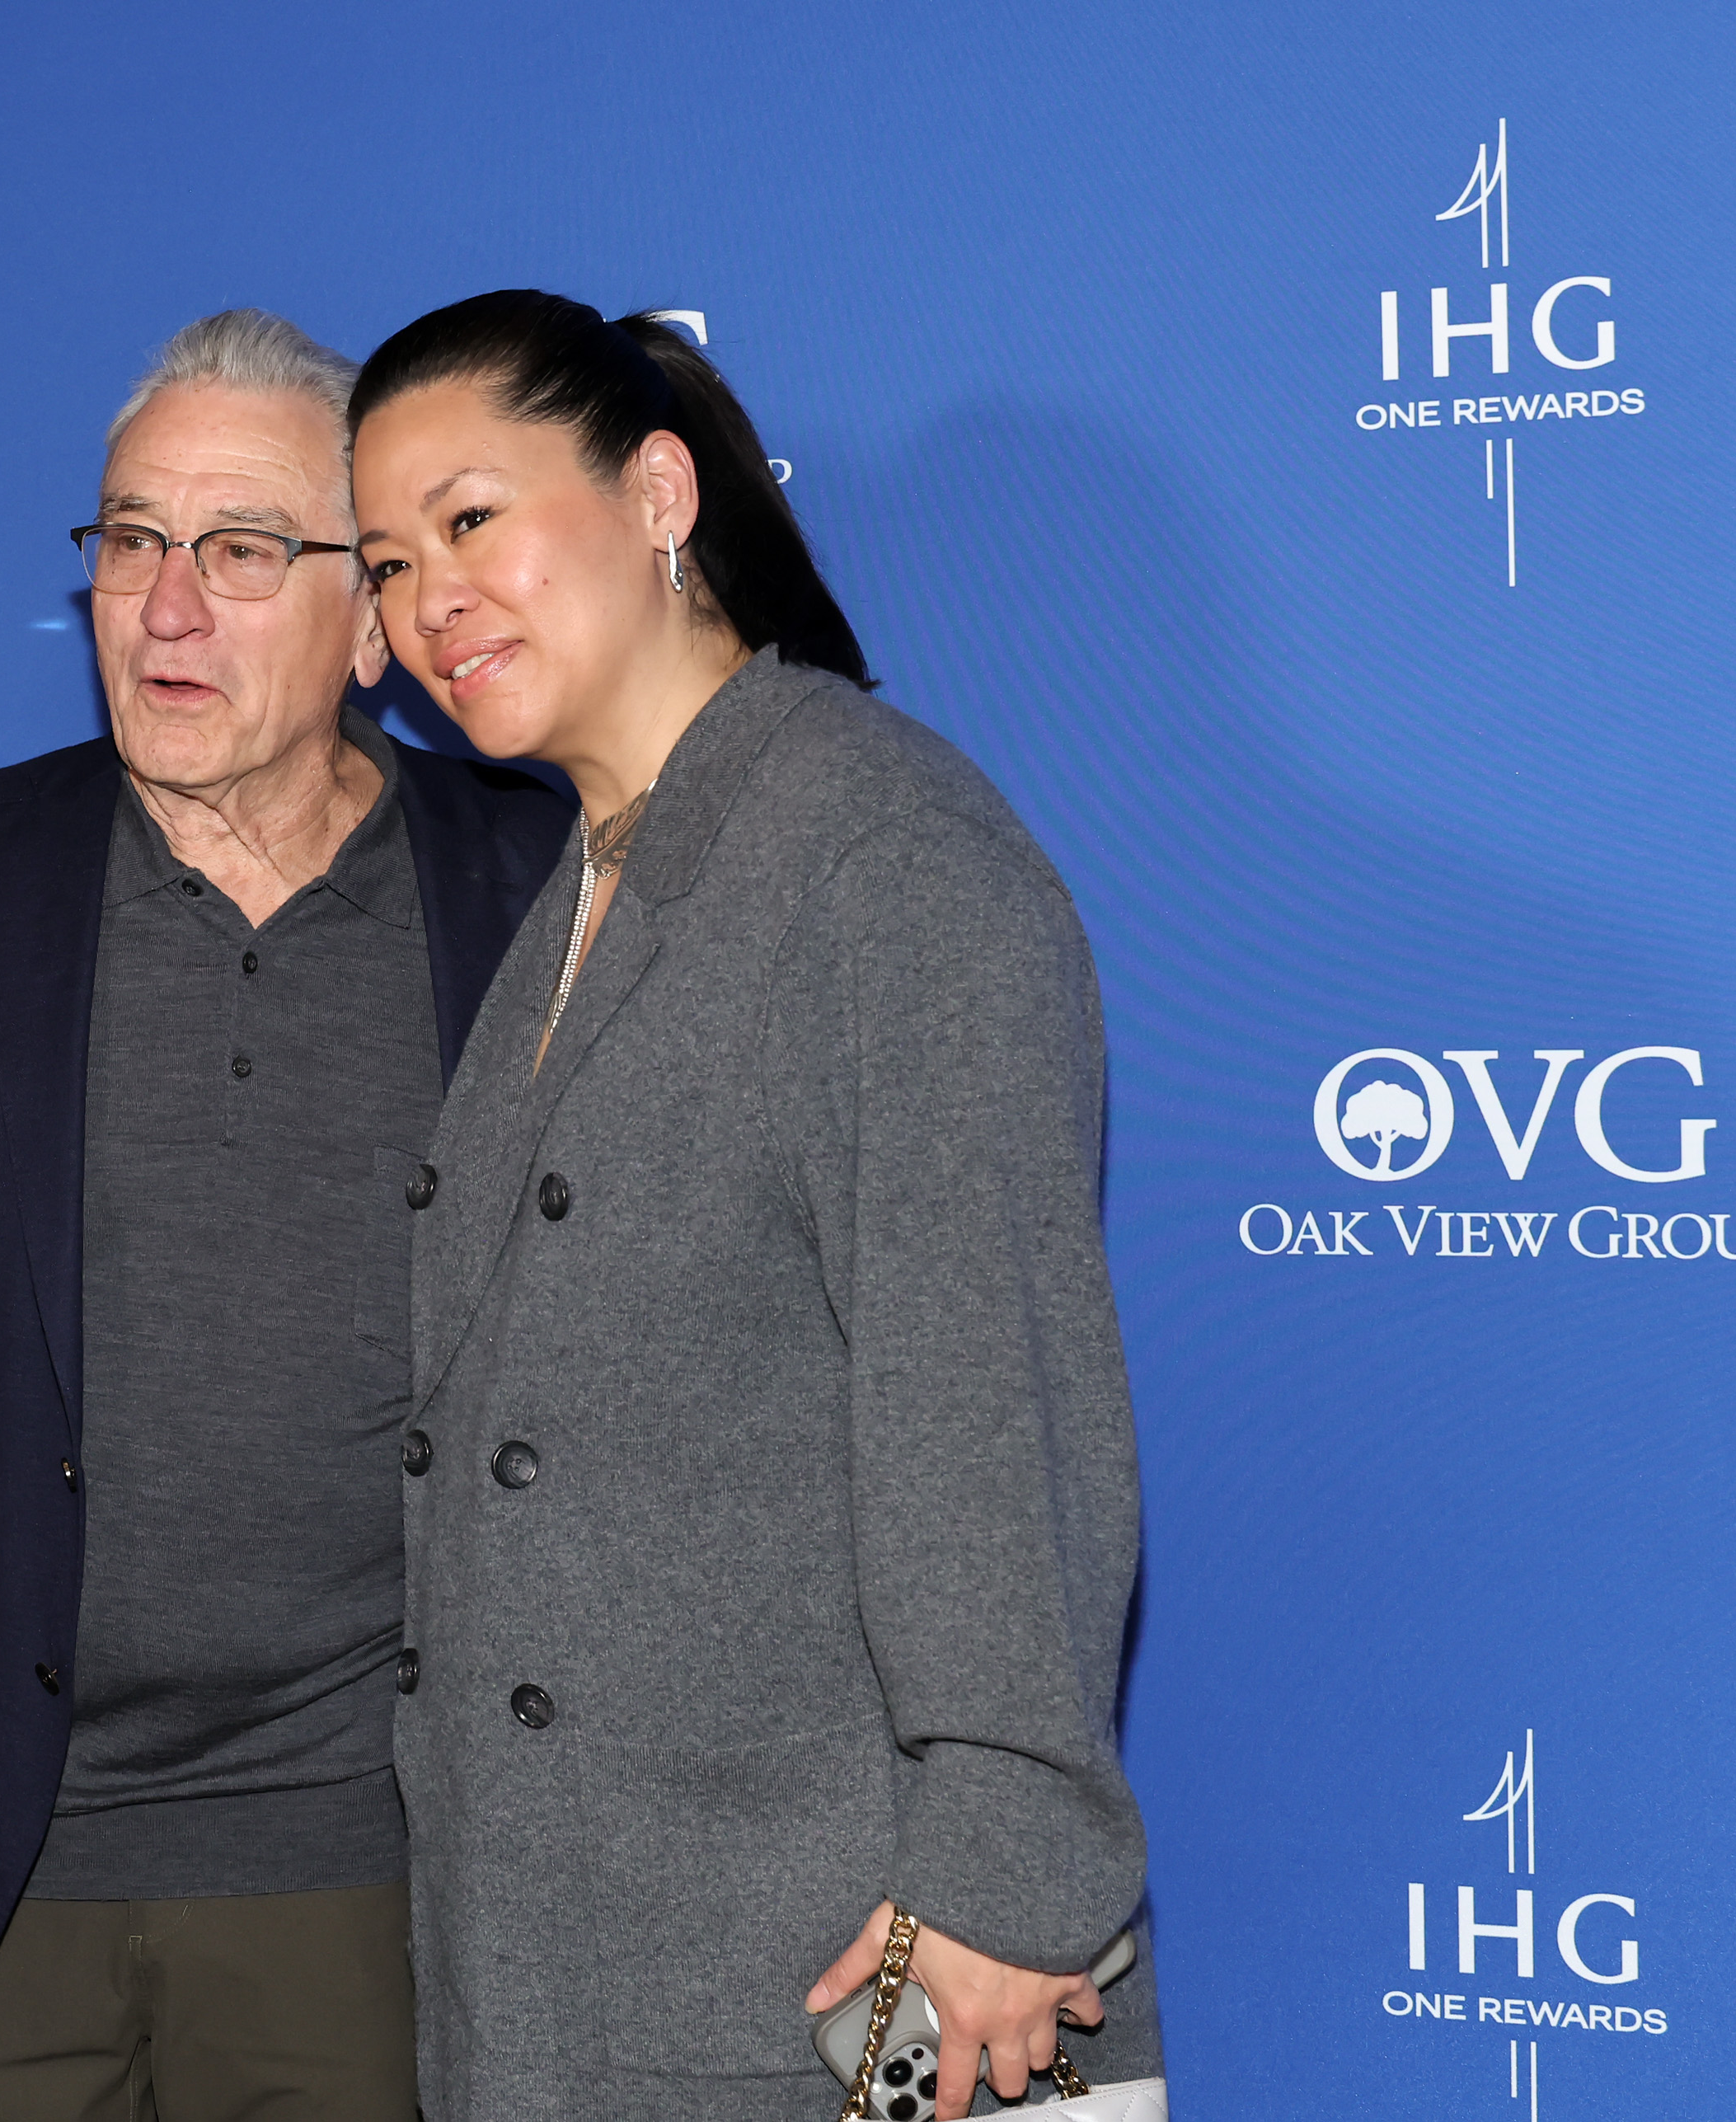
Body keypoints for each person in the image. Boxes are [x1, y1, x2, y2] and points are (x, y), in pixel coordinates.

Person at [0, 308, 572, 2120]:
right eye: (127, 541)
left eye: (240, 552)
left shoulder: (536, 890)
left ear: (372, 611)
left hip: (373, 1861)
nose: (164, 607)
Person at [346, 291, 1159, 2121]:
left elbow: (983, 1394)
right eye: (387, 565)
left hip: (858, 1974)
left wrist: (1003, 1878)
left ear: (656, 492)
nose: (426, 607)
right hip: (572, 1945)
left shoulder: (879, 862)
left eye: (471, 521)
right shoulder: (590, 879)